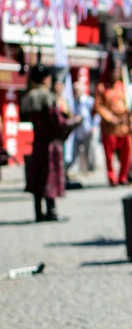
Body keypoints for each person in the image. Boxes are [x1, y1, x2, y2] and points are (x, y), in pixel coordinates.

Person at [21, 64, 80, 221]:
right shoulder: (48, 97)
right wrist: (74, 122)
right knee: (50, 178)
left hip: (37, 143)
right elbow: (58, 122)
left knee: (38, 177)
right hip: (50, 145)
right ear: (46, 79)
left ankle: (38, 212)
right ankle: (52, 211)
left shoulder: (28, 98)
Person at [94, 56, 132, 186]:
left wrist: (129, 118)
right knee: (109, 155)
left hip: (123, 125)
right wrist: (110, 118)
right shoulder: (102, 87)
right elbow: (98, 106)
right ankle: (112, 178)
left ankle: (123, 176)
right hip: (109, 126)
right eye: (113, 72)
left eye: (117, 72)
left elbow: (128, 104)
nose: (115, 75)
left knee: (126, 153)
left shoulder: (122, 86)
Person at [70, 81, 95, 174]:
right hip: (77, 130)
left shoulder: (88, 101)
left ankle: (90, 169)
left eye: (77, 90)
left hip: (87, 129)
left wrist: (94, 126)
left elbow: (95, 115)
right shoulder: (73, 101)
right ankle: (72, 170)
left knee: (89, 151)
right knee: (75, 151)